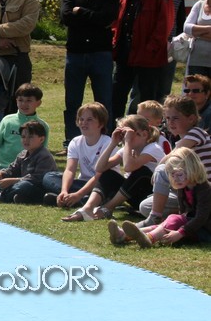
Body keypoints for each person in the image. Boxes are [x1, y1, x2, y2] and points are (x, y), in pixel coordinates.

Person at [110, 0, 174, 122]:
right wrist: (115, 40)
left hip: (149, 55)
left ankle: (147, 131)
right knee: (117, 94)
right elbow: (118, 18)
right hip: (124, 51)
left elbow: (165, 22)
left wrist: (151, 47)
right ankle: (114, 130)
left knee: (147, 99)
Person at [60, 0, 117, 147]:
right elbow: (66, 18)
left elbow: (107, 19)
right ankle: (71, 140)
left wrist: (81, 12)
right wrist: (93, 17)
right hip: (75, 55)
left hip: (101, 54)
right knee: (72, 101)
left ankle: (105, 140)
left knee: (104, 100)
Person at [62, 114, 164, 222]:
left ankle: (108, 207)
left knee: (142, 172)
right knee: (107, 173)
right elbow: (99, 168)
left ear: (144, 134)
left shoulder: (153, 148)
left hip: (154, 197)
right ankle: (88, 208)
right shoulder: (128, 149)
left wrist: (128, 142)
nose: (124, 138)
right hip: (135, 194)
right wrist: (113, 143)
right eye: (122, 134)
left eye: (128, 134)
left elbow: (128, 167)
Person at [108, 147, 211, 247]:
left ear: (193, 169)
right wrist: (175, 227)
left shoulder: (205, 190)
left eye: (179, 174)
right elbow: (183, 213)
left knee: (173, 219)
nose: (176, 179)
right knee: (163, 225)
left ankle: (149, 238)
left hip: (206, 231)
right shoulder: (183, 187)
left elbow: (201, 218)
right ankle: (123, 235)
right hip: (194, 226)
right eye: (172, 175)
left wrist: (180, 232)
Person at [136, 94, 211, 227]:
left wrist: (157, 171)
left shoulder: (197, 133)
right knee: (144, 206)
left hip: (203, 191)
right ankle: (179, 213)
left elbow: (171, 157)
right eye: (168, 118)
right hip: (188, 190)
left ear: (191, 118)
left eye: (175, 118)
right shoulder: (181, 139)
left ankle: (155, 218)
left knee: (162, 169)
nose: (170, 122)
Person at [0, 84, 51, 188]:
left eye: (29, 101)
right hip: (0, 168)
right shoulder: (7, 121)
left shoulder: (42, 126)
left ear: (38, 103)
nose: (24, 104)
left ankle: (11, 190)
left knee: (25, 187)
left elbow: (42, 152)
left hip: (25, 171)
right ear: (16, 101)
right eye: (20, 100)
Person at [46, 103, 112, 209]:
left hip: (101, 185)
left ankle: (81, 199)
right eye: (81, 119)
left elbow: (99, 176)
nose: (84, 123)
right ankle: (68, 197)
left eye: (89, 120)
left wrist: (79, 194)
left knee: (103, 189)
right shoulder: (76, 142)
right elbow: (70, 170)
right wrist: (64, 190)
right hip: (82, 183)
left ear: (101, 124)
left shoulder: (107, 143)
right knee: (49, 177)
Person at [0, 121, 57, 204]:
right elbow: (12, 169)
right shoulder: (23, 153)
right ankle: (17, 197)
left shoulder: (44, 156)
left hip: (37, 188)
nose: (26, 140)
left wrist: (14, 181)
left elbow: (37, 179)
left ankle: (1, 196)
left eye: (30, 137)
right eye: (23, 137)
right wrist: (1, 173)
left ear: (41, 139)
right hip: (20, 183)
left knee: (24, 186)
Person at [183, 0, 211, 78]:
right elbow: (186, 28)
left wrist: (197, 33)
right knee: (195, 90)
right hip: (196, 62)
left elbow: (191, 30)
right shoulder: (199, 5)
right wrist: (209, 29)